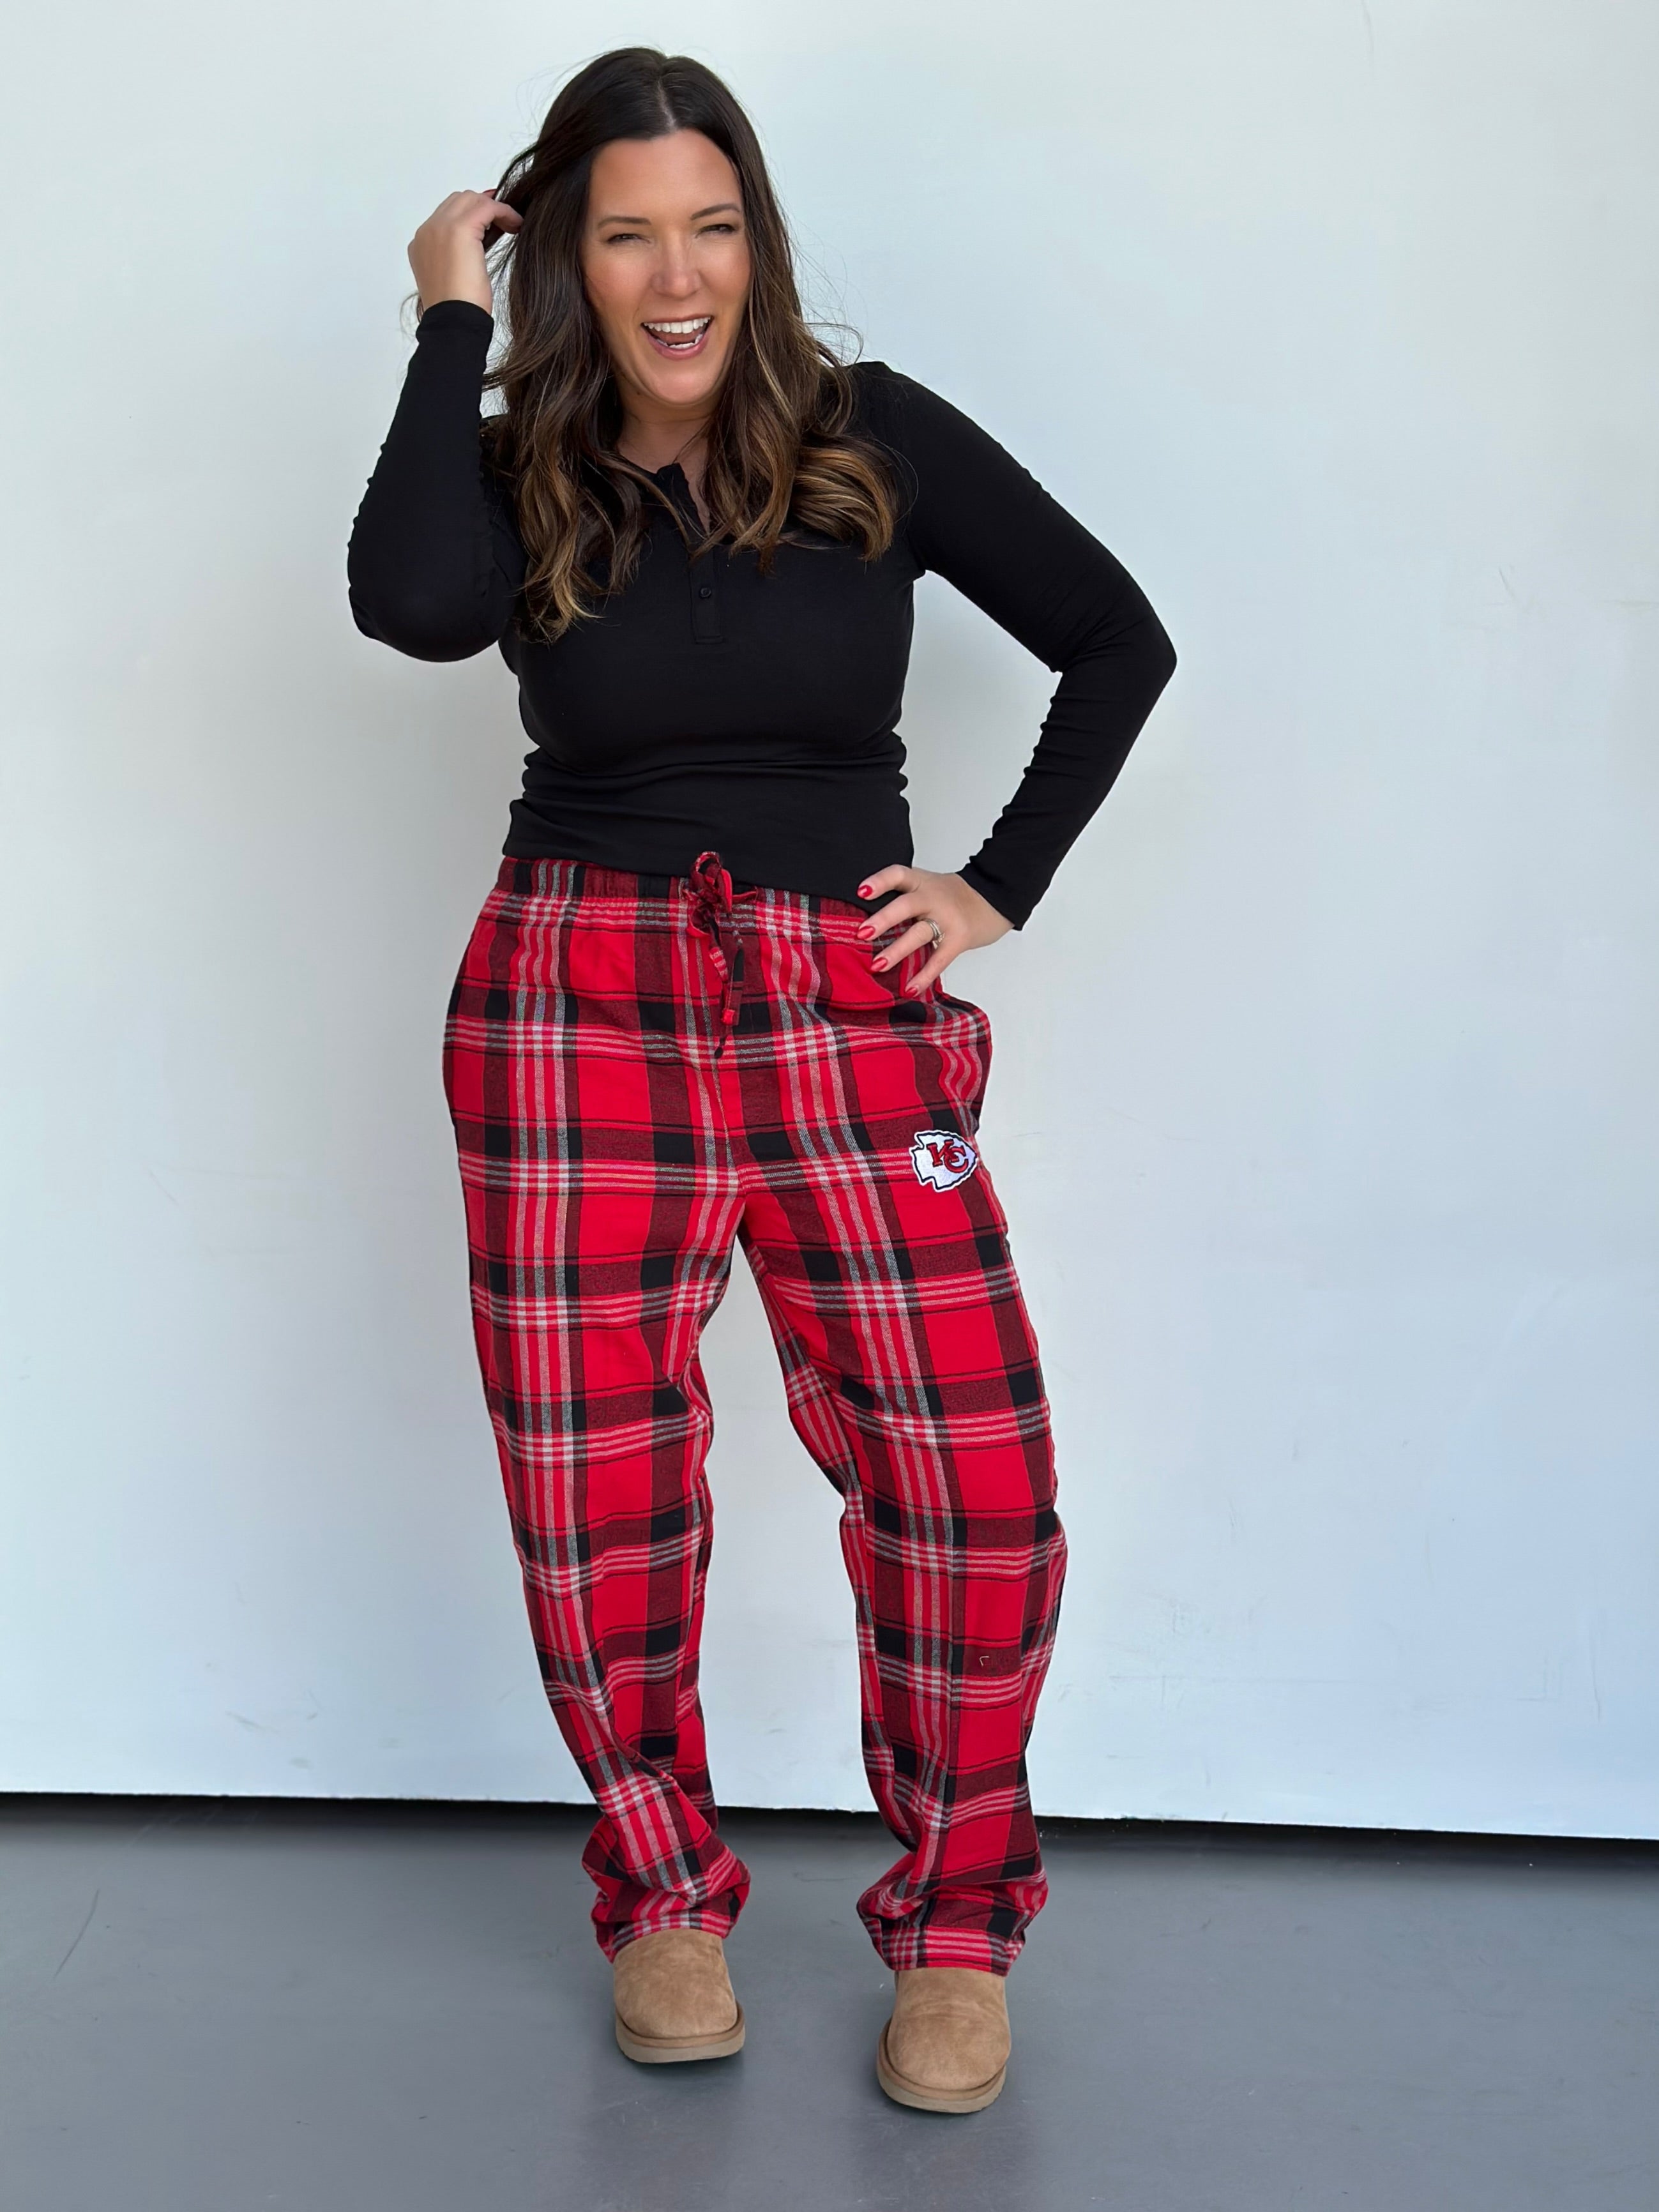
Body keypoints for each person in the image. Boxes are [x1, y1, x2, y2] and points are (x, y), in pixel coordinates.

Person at [346, 45, 1174, 2116]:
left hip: (837, 992)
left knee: (971, 1477)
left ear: (759, 240)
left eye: (711, 226)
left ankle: (959, 1924)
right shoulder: (524, 455)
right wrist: (448, 319)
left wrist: (994, 887)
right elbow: (411, 605)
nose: (677, 275)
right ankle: (662, 1898)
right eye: (626, 234)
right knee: (596, 1483)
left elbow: (1116, 635)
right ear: (568, 258)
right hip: (572, 998)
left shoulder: (869, 435)